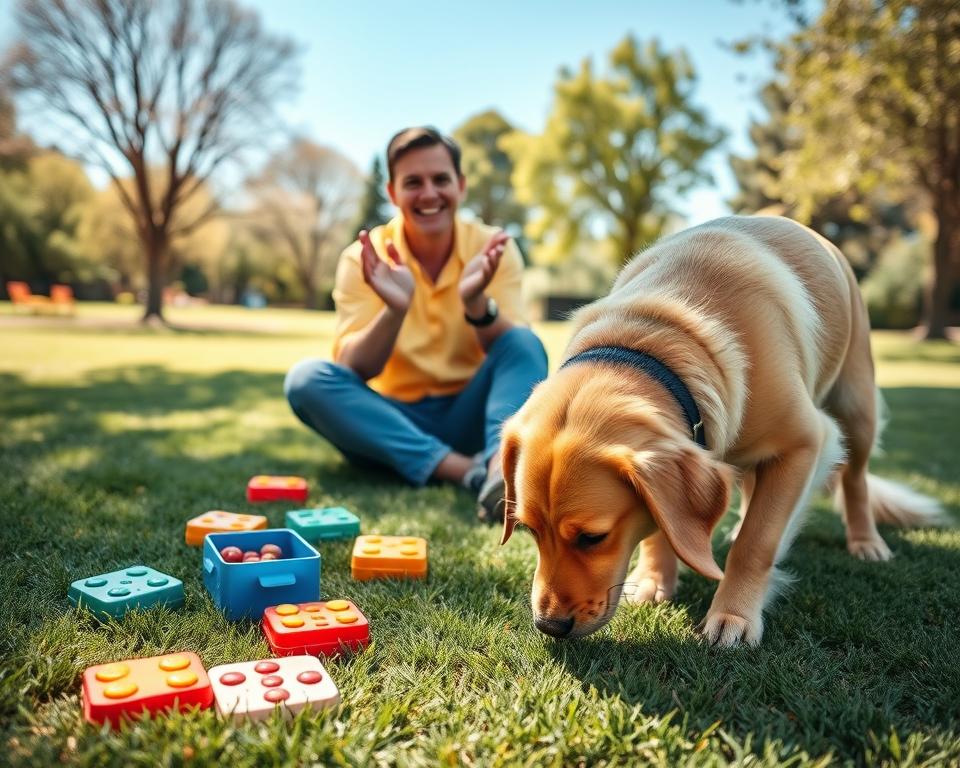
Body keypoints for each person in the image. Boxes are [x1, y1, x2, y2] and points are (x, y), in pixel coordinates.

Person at [284, 126, 548, 521]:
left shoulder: (494, 248)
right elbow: (354, 369)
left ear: (460, 186)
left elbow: (515, 352)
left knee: (524, 342)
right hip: (393, 422)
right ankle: (469, 473)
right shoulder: (363, 258)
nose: (429, 194)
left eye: (441, 180)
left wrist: (476, 304)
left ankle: (500, 465)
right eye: (413, 182)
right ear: (392, 193)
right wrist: (394, 310)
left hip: (476, 416)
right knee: (306, 380)